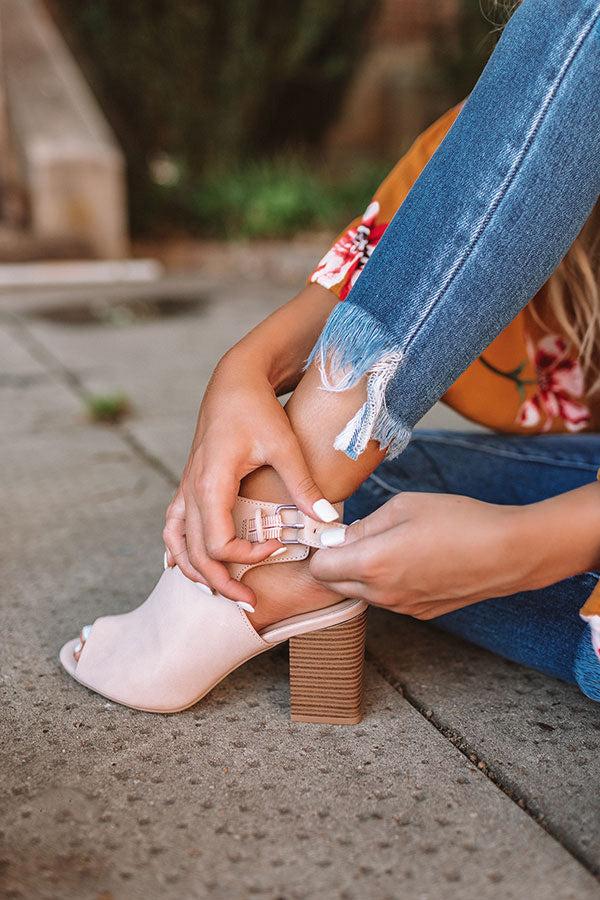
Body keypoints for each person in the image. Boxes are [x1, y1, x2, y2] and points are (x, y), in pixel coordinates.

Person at [60, 0, 600, 717]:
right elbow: (387, 272)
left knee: (326, 523)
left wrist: (526, 548)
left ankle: (272, 588)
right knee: (332, 496)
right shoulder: (554, 86)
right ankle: (283, 574)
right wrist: (243, 371)